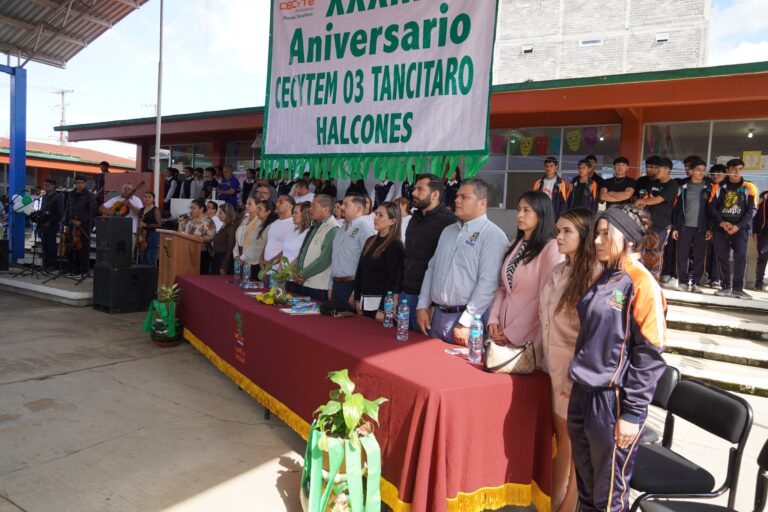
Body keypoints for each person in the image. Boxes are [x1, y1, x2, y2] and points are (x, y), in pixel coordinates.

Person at [568, 205, 667, 512]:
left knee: (609, 496)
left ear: (629, 238)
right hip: (583, 393)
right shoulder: (607, 275)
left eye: (605, 234)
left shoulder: (641, 283)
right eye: (596, 234)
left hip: (613, 402)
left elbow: (649, 355)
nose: (597, 241)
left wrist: (633, 414)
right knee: (586, 490)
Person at [538, 208, 601, 512]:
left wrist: (573, 379)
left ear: (585, 236)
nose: (559, 237)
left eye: (567, 232)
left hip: (573, 373)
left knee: (572, 443)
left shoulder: (593, 276)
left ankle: (568, 505)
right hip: (550, 368)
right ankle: (553, 500)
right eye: (557, 231)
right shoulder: (560, 270)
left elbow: (590, 337)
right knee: (560, 439)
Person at [416, 179, 508, 344]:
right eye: (457, 196)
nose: (456, 200)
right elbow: (432, 268)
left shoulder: (492, 235)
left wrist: (466, 321)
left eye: (464, 197)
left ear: (482, 203)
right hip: (437, 316)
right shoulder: (448, 231)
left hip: (467, 321)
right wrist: (422, 305)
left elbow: (488, 283)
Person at [487, 191, 563, 354]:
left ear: (541, 214)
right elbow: (503, 288)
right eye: (518, 209)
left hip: (529, 335)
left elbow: (544, 297)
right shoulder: (514, 244)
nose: (520, 215)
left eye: (526, 210)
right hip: (501, 331)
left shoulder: (551, 248)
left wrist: (512, 333)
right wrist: (493, 319)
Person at [401, 174, 456, 331]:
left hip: (427, 302)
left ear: (435, 194)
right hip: (406, 295)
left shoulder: (449, 222)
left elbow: (447, 266)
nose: (413, 193)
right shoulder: (415, 218)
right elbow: (407, 256)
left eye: (420, 189)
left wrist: (430, 303)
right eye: (414, 188)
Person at [708, 158, 758, 299]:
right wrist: (721, 222)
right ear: (728, 170)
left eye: (740, 169)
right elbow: (711, 207)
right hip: (721, 228)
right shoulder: (718, 187)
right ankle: (725, 287)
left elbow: (752, 210)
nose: (737, 172)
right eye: (734, 169)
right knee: (722, 257)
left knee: (740, 257)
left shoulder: (749, 187)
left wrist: (738, 226)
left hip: (740, 230)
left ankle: (737, 289)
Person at [354, 202, 405, 319]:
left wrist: (383, 308)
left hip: (379, 307)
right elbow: (360, 271)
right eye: (376, 214)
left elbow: (393, 279)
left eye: (380, 215)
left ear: (393, 221)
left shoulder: (395, 245)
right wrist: (357, 298)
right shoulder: (370, 240)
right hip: (363, 303)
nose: (375, 218)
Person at [635, 157, 678, 281]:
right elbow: (641, 197)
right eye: (653, 167)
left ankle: (653, 279)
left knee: (656, 252)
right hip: (644, 222)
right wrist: (640, 201)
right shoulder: (649, 182)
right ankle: (640, 278)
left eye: (658, 168)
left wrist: (642, 201)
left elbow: (658, 199)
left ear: (666, 170)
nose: (655, 170)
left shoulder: (672, 184)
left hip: (661, 224)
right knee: (641, 251)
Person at [671, 158, 711, 293]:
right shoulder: (683, 188)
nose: (701, 173)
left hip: (702, 228)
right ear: (691, 171)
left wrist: (710, 228)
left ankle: (696, 283)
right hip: (684, 227)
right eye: (698, 170)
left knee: (699, 256)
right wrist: (675, 227)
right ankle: (682, 282)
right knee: (682, 255)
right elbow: (675, 210)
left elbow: (712, 211)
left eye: (703, 170)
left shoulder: (709, 189)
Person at [329, 195, 376, 302]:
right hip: (336, 284)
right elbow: (335, 258)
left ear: (358, 209)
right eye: (342, 204)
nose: (341, 207)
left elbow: (368, 263)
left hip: (351, 286)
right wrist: (330, 285)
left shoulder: (365, 229)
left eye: (346, 204)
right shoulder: (341, 230)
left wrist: (357, 292)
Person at [295, 195, 339, 301]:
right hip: (306, 283)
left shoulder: (333, 229)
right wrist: (297, 272)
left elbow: (324, 260)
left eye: (313, 205)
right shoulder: (315, 225)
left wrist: (302, 274)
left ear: (325, 209)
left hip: (319, 287)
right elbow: (304, 251)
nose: (310, 209)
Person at [178, 198, 216, 274]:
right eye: (190, 208)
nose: (191, 210)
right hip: (187, 251)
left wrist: (195, 238)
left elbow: (210, 237)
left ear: (201, 209)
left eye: (193, 208)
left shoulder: (208, 221)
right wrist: (180, 225)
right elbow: (180, 235)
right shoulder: (188, 220)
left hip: (201, 253)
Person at [64, 175, 93, 275]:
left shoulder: (89, 195)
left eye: (81, 183)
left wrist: (82, 221)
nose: (79, 184)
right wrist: (66, 223)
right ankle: (71, 268)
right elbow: (67, 209)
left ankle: (83, 270)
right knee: (71, 247)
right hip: (72, 225)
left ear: (85, 184)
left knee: (83, 249)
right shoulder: (71, 194)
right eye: (77, 183)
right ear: (75, 184)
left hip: (83, 226)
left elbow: (93, 211)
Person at [704, 164, 726, 288]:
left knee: (719, 252)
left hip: (721, 225)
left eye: (719, 173)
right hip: (707, 224)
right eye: (713, 174)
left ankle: (716, 279)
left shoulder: (726, 189)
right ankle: (708, 276)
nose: (715, 176)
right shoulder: (708, 187)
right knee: (708, 252)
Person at [284, 202, 312, 295]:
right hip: (287, 276)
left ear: (304, 214)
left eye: (296, 213)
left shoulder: (308, 233)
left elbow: (301, 255)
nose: (292, 215)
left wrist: (288, 270)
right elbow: (285, 252)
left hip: (296, 278)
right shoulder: (293, 230)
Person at [263, 195, 296, 265]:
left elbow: (288, 249)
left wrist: (271, 262)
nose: (277, 204)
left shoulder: (293, 224)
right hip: (266, 268)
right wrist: (261, 258)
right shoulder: (275, 222)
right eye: (277, 202)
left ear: (290, 206)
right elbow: (268, 242)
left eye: (281, 202)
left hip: (279, 270)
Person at [233, 196, 262, 274]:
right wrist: (236, 255)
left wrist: (243, 257)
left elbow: (255, 243)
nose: (246, 206)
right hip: (239, 253)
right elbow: (238, 238)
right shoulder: (245, 220)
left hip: (250, 256)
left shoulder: (259, 222)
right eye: (246, 203)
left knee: (247, 278)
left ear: (257, 206)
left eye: (250, 204)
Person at [38, 179, 63, 269]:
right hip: (43, 224)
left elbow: (60, 213)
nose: (45, 187)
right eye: (44, 185)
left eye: (47, 185)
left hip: (52, 225)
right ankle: (46, 264)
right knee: (44, 245)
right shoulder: (44, 197)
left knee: (51, 245)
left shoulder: (58, 197)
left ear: (53, 186)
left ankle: (52, 265)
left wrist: (50, 222)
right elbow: (42, 210)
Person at [533, 156, 568, 221]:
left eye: (551, 166)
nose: (549, 168)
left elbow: (563, 203)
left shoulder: (560, 183)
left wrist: (559, 220)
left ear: (556, 167)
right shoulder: (538, 183)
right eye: (547, 166)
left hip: (554, 217)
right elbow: (534, 201)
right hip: (541, 217)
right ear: (544, 167)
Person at [138, 191, 161, 266]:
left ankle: (152, 274)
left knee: (150, 255)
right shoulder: (141, 210)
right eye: (145, 197)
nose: (147, 198)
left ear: (153, 199)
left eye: (149, 197)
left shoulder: (155, 210)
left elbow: (159, 224)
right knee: (142, 255)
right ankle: (144, 274)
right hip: (143, 233)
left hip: (152, 233)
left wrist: (146, 225)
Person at [754, 191, 768, 291]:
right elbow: (756, 217)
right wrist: (755, 231)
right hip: (764, 235)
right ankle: (758, 283)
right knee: (762, 258)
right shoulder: (763, 202)